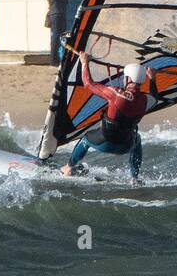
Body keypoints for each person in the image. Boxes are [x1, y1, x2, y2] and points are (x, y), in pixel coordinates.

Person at [60, 52, 158, 182]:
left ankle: (69, 167)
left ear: (128, 79)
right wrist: (152, 78)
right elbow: (155, 98)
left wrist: (84, 62)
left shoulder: (116, 94)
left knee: (86, 139)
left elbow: (88, 84)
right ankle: (134, 177)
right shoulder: (146, 101)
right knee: (137, 139)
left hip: (104, 142)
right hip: (125, 145)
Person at [46, 0, 79, 64]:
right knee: (56, 38)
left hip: (60, 14)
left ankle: (57, 59)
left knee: (61, 37)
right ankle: (53, 60)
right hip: (55, 15)